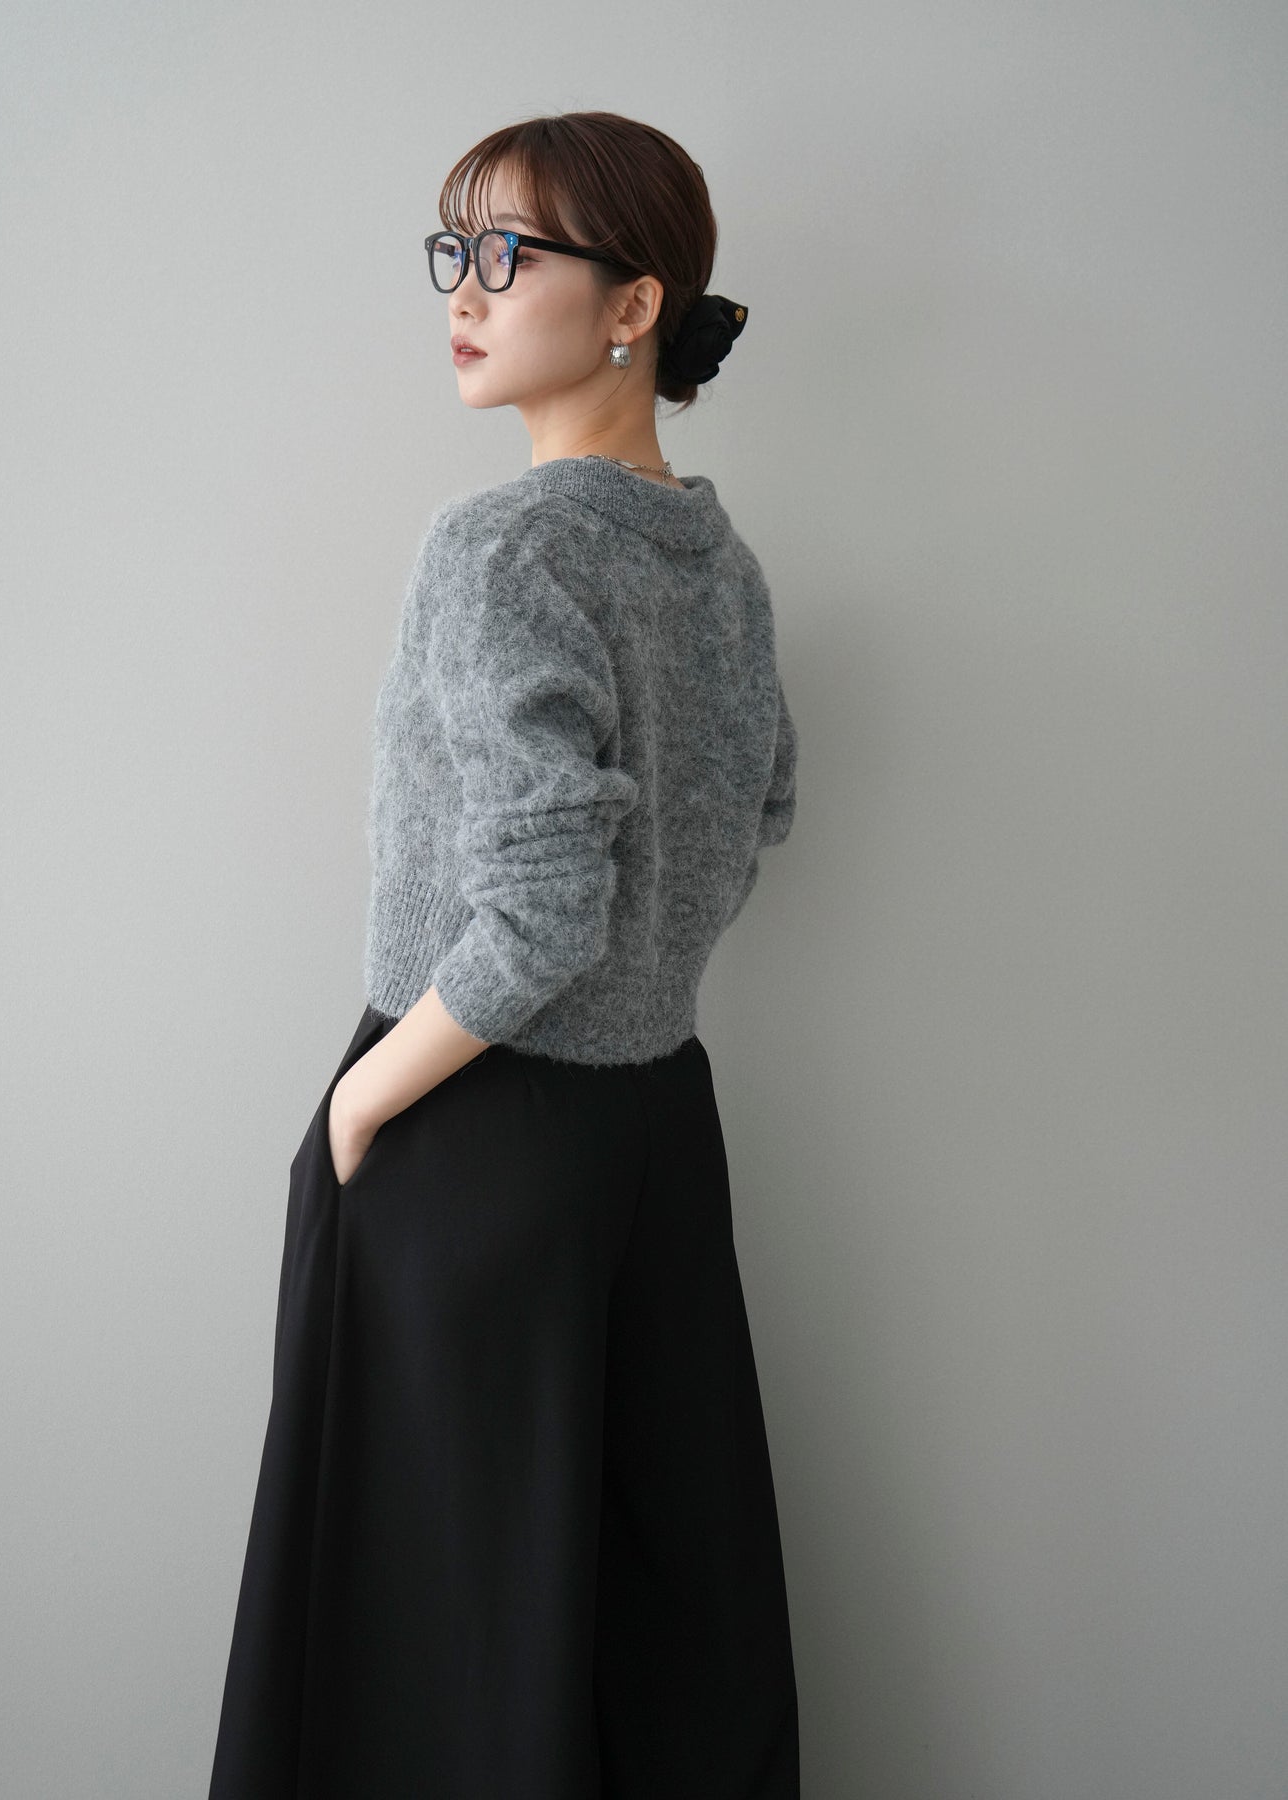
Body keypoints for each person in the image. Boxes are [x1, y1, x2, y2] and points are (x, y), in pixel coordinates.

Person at [208, 109, 801, 1799]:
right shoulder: (720, 562)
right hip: (653, 1132)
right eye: (451, 253)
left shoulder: (502, 546)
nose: (461, 294)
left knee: (428, 1641)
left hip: (468, 1118)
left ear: (633, 304)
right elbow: (757, 813)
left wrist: (360, 1106)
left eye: (505, 253)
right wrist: (639, 984)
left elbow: (543, 903)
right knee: (637, 1629)